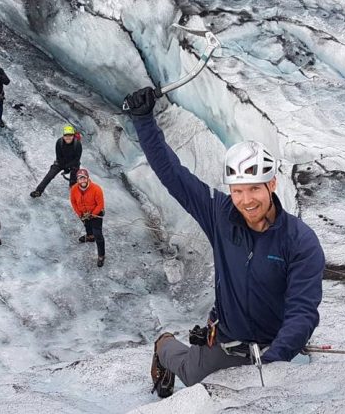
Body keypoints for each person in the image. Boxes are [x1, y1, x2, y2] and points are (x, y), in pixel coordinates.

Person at [122, 86, 325, 398]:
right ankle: (164, 345)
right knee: (191, 375)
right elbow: (173, 175)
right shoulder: (220, 214)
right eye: (238, 190)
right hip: (226, 338)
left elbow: (303, 311)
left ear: (271, 184)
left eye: (254, 188)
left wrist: (275, 360)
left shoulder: (299, 241)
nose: (246, 200)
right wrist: (143, 120)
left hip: (273, 344)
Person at [30, 125, 83, 198]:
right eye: (66, 135)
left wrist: (68, 167)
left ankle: (73, 189)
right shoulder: (59, 142)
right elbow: (59, 157)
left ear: (73, 136)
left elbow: (77, 159)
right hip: (61, 162)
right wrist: (65, 167)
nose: (68, 137)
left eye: (70, 135)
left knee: (73, 178)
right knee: (49, 175)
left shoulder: (77, 144)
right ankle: (38, 191)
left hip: (73, 163)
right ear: (63, 136)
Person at [69, 168, 105, 267]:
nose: (82, 181)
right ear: (77, 180)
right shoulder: (74, 189)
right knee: (87, 225)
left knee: (98, 234)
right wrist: (80, 214)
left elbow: (100, 204)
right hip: (83, 213)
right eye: (80, 179)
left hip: (96, 214)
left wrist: (92, 214)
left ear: (87, 178)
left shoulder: (96, 189)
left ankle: (101, 255)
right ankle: (90, 236)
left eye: (84, 178)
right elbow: (73, 202)